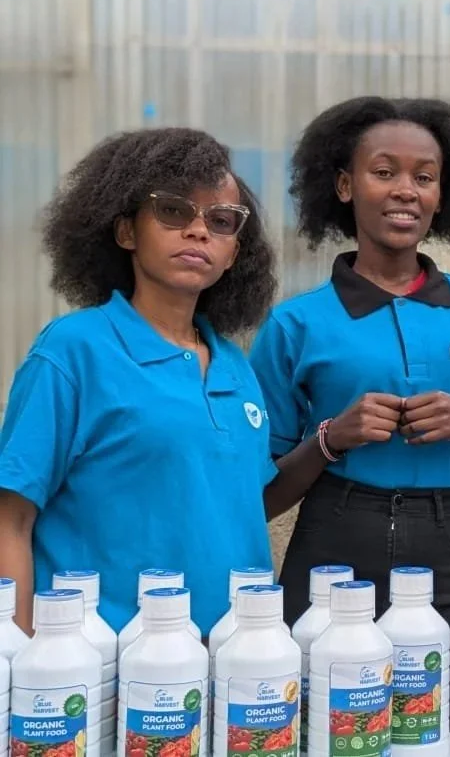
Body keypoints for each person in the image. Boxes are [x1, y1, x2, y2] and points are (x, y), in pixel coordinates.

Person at [248, 96, 450, 732]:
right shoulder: (296, 323)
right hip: (333, 542)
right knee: (319, 730)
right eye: (384, 171)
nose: (406, 191)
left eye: (424, 177)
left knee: (441, 731)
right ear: (344, 185)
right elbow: (259, 495)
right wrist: (331, 438)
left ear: (443, 195)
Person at [0, 128, 279, 635]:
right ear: (126, 231)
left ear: (234, 253)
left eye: (220, 221)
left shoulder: (236, 368)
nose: (199, 231)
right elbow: (9, 522)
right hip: (99, 667)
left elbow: (231, 510)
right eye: (174, 211)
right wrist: (18, 659)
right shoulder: (73, 351)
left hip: (234, 663)